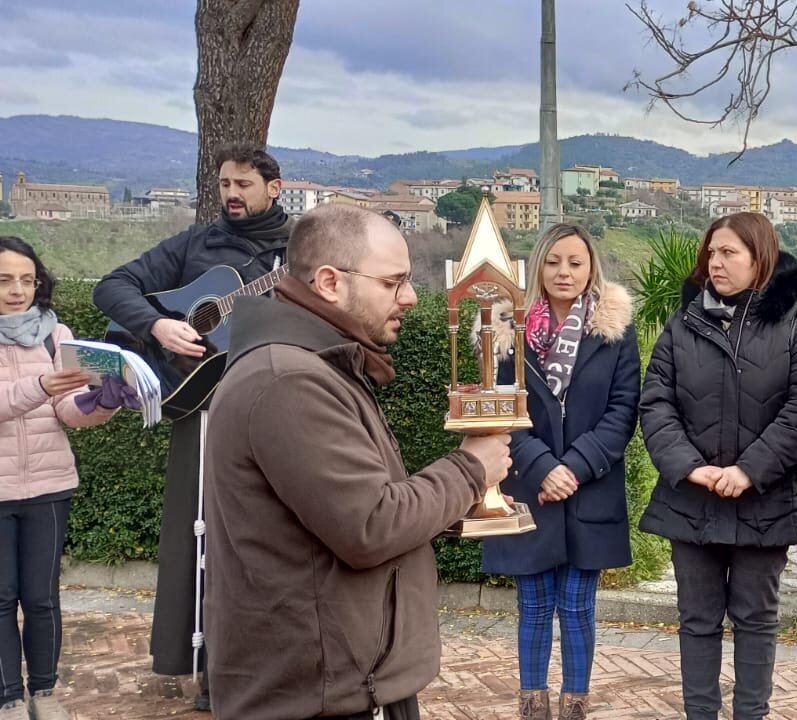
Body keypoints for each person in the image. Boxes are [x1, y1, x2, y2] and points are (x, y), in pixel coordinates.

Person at [200, 204, 513, 719]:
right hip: (318, 697)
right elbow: (370, 525)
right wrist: (471, 470)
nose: (410, 297)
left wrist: (454, 505)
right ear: (330, 282)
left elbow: (352, 507)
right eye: (393, 282)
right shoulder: (289, 380)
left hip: (345, 683)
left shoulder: (319, 365)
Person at [91, 143, 293, 707]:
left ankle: (268, 668)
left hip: (272, 408)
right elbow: (111, 286)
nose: (232, 194)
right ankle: (207, 670)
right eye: (225, 183)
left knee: (266, 538)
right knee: (197, 537)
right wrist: (157, 326)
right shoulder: (196, 243)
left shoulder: (299, 249)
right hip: (200, 407)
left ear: (274, 188)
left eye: (243, 184)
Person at [638, 211, 797, 720]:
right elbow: (655, 404)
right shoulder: (683, 325)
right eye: (712, 252)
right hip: (691, 501)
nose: (715, 263)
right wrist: (690, 467)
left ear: (759, 258)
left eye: (729, 253)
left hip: (767, 501)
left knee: (756, 619)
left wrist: (749, 470)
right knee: (696, 620)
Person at [478, 223, 640, 720]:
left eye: (575, 262)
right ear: (538, 267)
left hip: (590, 487)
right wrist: (544, 467)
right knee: (532, 604)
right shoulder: (507, 328)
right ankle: (532, 706)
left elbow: (623, 409)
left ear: (591, 268)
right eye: (553, 262)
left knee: (576, 605)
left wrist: (574, 467)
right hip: (529, 487)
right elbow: (501, 409)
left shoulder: (613, 329)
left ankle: (575, 706)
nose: (564, 272)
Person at [0, 237, 127, 720]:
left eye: (27, 280)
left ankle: (45, 694)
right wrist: (39, 385)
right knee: (0, 599)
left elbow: (65, 409)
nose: (18, 290)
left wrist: (101, 402)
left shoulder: (56, 334)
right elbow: (30, 395)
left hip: (49, 486)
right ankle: (9, 698)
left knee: (41, 598)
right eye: (5, 280)